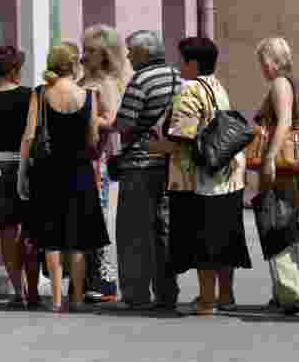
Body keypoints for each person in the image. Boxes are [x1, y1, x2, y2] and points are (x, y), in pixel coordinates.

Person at [161, 36, 252, 316]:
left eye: (181, 60)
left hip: (200, 178)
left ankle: (207, 300)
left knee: (204, 239)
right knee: (226, 237)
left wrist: (155, 147)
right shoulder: (217, 85)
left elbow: (183, 137)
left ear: (192, 63)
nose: (178, 66)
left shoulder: (189, 90)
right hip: (230, 172)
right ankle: (225, 295)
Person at [18, 44, 110, 312]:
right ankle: (78, 297)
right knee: (78, 237)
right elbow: (93, 137)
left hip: (46, 171)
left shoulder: (40, 93)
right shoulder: (89, 96)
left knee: (50, 237)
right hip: (79, 171)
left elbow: (29, 135)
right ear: (74, 66)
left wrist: (22, 171)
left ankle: (57, 300)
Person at [114, 30, 183, 311]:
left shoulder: (140, 80)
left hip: (140, 164)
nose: (128, 55)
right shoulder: (177, 77)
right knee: (163, 230)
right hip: (168, 164)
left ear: (144, 52)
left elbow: (125, 123)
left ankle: (137, 293)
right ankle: (167, 291)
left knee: (133, 231)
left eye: (131, 51)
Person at [252, 36, 299, 315]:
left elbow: (284, 120)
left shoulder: (279, 84)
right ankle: (285, 289)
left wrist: (270, 157)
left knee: (275, 221)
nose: (261, 68)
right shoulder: (295, 84)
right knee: (285, 220)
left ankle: (289, 292)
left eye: (263, 61)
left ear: (273, 62)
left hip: (281, 161)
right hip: (295, 161)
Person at [0, 46, 40, 309]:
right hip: (23, 166)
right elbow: (32, 134)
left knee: (7, 230)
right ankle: (33, 291)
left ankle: (18, 291)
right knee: (29, 231)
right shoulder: (30, 96)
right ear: (15, 70)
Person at [78, 24, 132, 304]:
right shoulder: (84, 79)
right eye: (83, 50)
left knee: (97, 217)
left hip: (96, 159)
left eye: (91, 51)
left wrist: (84, 118)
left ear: (105, 55)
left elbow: (111, 121)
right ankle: (87, 278)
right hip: (81, 157)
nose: (83, 56)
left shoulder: (106, 83)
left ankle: (105, 281)